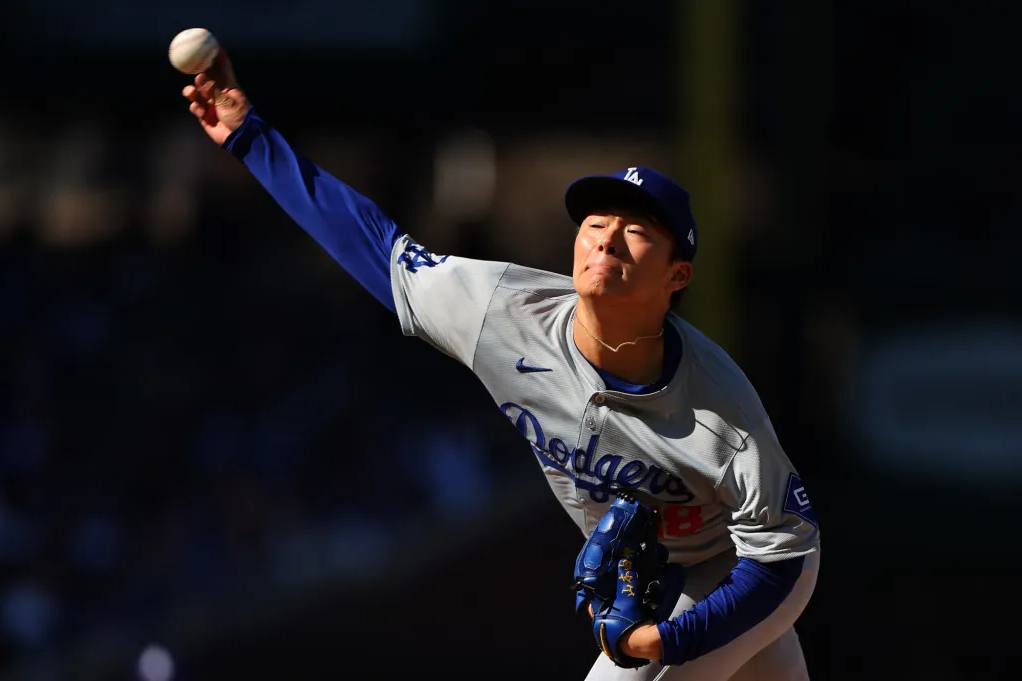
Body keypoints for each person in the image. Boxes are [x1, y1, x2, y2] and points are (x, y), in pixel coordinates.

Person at [180, 52, 821, 681]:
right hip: (662, 571)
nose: (607, 236)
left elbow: (783, 562)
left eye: (637, 231)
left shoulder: (719, 409)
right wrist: (249, 137)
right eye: (598, 221)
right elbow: (375, 245)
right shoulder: (501, 312)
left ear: (676, 276)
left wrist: (669, 638)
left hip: (746, 571)